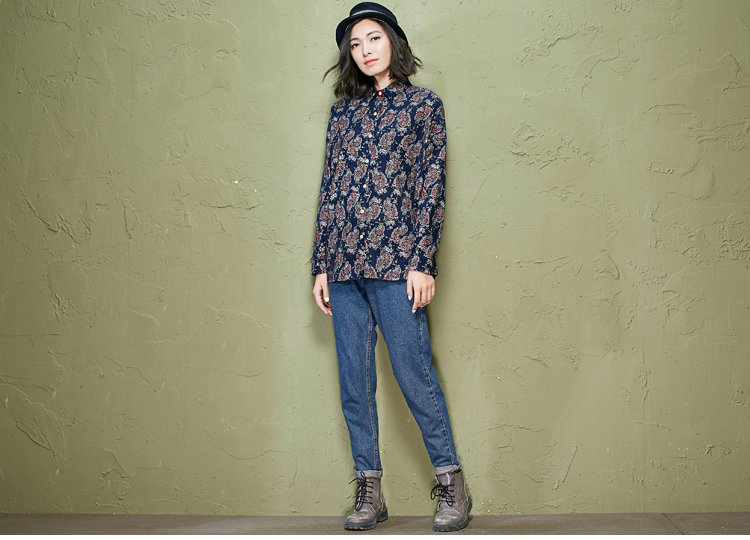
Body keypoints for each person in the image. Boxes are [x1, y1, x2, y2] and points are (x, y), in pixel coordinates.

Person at [310, 2, 470, 532]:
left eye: (373, 38)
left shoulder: (423, 106)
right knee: (354, 385)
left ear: (394, 41)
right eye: (355, 45)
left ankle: (452, 486)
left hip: (397, 263)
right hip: (344, 266)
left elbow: (431, 188)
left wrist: (423, 262)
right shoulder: (342, 115)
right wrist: (321, 264)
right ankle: (370, 493)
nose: (365, 51)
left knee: (413, 375)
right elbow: (330, 188)